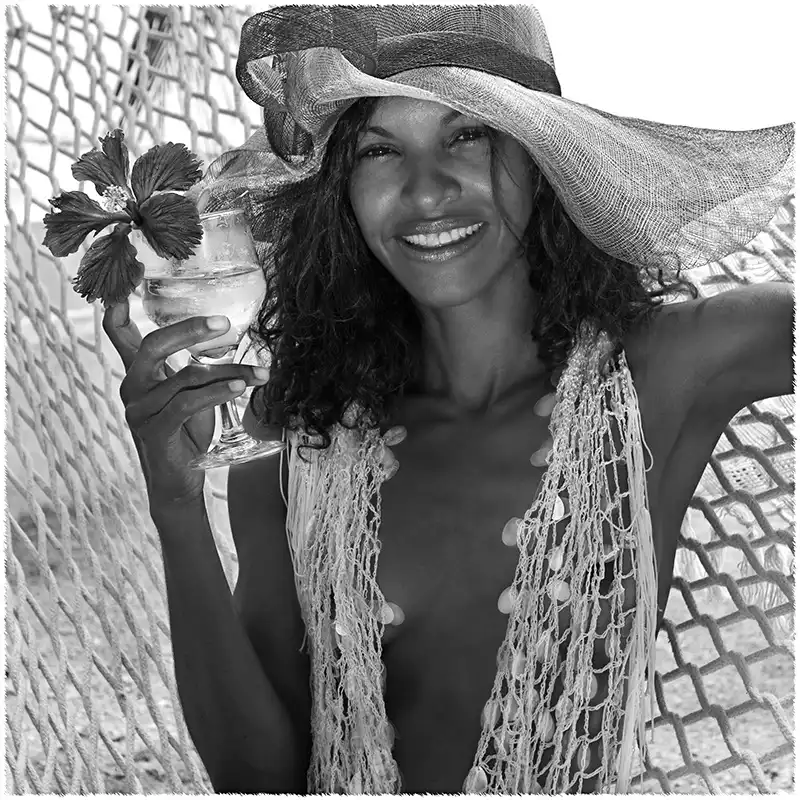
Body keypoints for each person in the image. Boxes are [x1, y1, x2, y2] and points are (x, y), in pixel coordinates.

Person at [101, 5, 794, 795]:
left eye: (467, 135)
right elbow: (256, 778)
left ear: (542, 154)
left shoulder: (663, 373)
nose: (426, 190)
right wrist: (177, 509)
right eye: (379, 150)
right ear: (342, 192)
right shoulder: (301, 431)